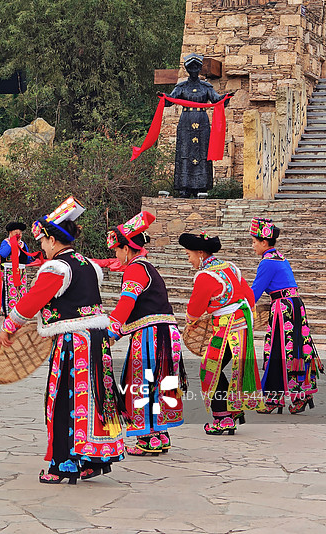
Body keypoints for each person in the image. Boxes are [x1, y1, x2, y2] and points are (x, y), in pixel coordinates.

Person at [0, 197, 124, 484]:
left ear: (53, 240)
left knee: (65, 401)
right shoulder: (88, 265)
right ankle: (95, 459)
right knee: (96, 397)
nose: (42, 247)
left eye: (43, 241)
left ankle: (63, 465)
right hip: (97, 339)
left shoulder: (57, 268)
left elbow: (32, 301)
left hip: (74, 343)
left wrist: (10, 325)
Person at [106, 212, 186, 456]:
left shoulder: (135, 270)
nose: (116, 256)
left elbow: (126, 304)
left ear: (127, 249)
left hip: (152, 336)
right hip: (167, 334)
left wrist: (109, 332)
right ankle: (161, 435)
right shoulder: (149, 268)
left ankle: (148, 438)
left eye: (118, 251)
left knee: (142, 381)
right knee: (162, 382)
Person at [179, 232, 264, 435]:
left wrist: (191, 321)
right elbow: (249, 296)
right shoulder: (230, 267)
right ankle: (232, 411)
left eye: (189, 255)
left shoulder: (205, 276)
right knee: (225, 368)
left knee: (210, 369)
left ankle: (223, 418)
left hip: (227, 326)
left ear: (200, 253)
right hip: (242, 323)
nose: (189, 260)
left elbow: (195, 307)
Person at [249, 218, 323, 414]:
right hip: (295, 305)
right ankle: (301, 395)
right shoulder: (280, 257)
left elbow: (254, 294)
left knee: (277, 352)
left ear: (264, 242)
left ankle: (274, 399)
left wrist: (235, 298)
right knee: (296, 351)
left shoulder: (267, 262)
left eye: (254, 242)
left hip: (283, 309)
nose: (253, 245)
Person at [164, 53, 231, 198]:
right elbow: (170, 100)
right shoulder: (181, 87)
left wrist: (225, 98)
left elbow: (216, 99)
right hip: (186, 122)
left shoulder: (206, 87)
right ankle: (184, 187)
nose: (194, 70)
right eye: (191, 67)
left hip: (202, 122)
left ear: (200, 69)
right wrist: (163, 97)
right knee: (184, 151)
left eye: (196, 67)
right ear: (187, 69)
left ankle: (201, 186)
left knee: (202, 152)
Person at [0, 221, 31, 316]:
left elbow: (27, 258)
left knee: (21, 294)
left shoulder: (23, 244)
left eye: (20, 233)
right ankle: (8, 316)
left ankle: (20, 315)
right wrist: (13, 242)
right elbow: (3, 254)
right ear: (10, 233)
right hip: (8, 273)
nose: (18, 235)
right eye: (16, 233)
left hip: (21, 272)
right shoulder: (6, 242)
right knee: (9, 294)